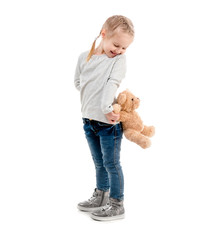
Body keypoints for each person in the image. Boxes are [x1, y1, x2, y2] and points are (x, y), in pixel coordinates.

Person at [74, 15, 134, 221]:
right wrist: (90, 100)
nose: (119, 50)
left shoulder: (118, 60)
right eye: (116, 44)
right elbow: (78, 82)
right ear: (103, 34)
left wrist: (106, 107)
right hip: (89, 120)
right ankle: (101, 196)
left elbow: (112, 85)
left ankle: (117, 204)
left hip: (109, 123)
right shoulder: (84, 57)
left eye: (124, 47)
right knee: (98, 162)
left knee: (111, 163)